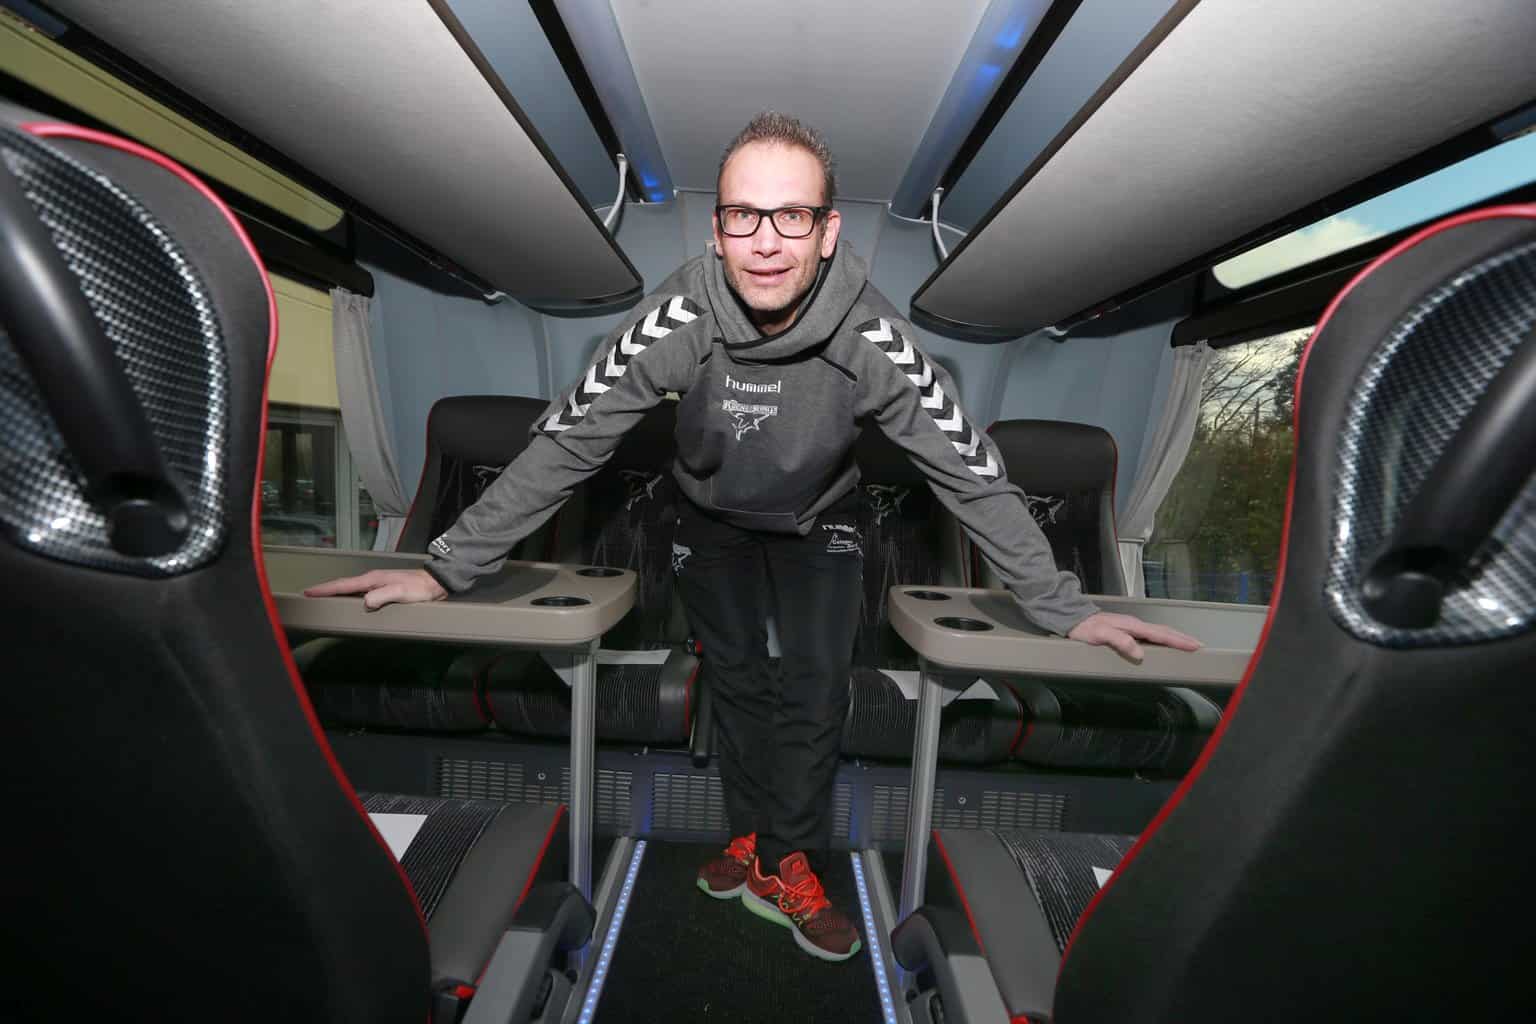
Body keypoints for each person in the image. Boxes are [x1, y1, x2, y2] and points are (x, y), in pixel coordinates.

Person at [306, 112, 1200, 963]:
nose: (766, 240)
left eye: (792, 215)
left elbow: (969, 470)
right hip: (711, 517)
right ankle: (748, 835)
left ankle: (787, 858)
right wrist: (444, 568)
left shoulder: (874, 339)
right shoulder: (675, 323)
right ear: (717, 231)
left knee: (815, 684)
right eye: (743, 215)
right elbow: (568, 439)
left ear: (827, 232)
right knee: (735, 680)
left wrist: (1064, 609)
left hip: (823, 517)